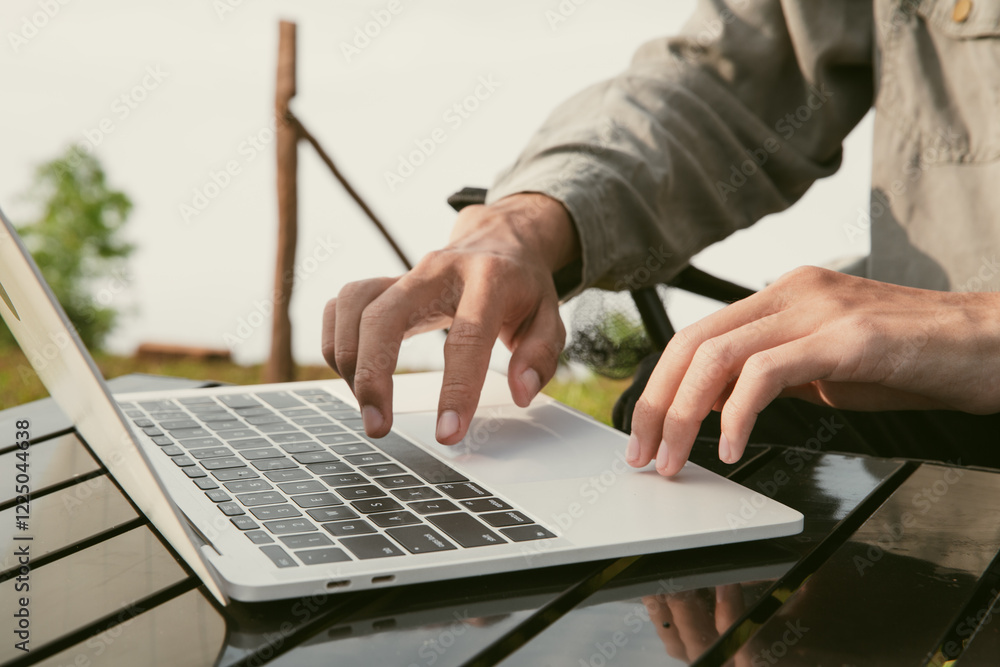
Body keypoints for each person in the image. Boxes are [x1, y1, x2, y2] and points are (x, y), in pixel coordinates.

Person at [321, 0, 1000, 476]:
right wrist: (526, 221)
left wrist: (980, 325)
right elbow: (726, 80)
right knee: (690, 404)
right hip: (923, 381)